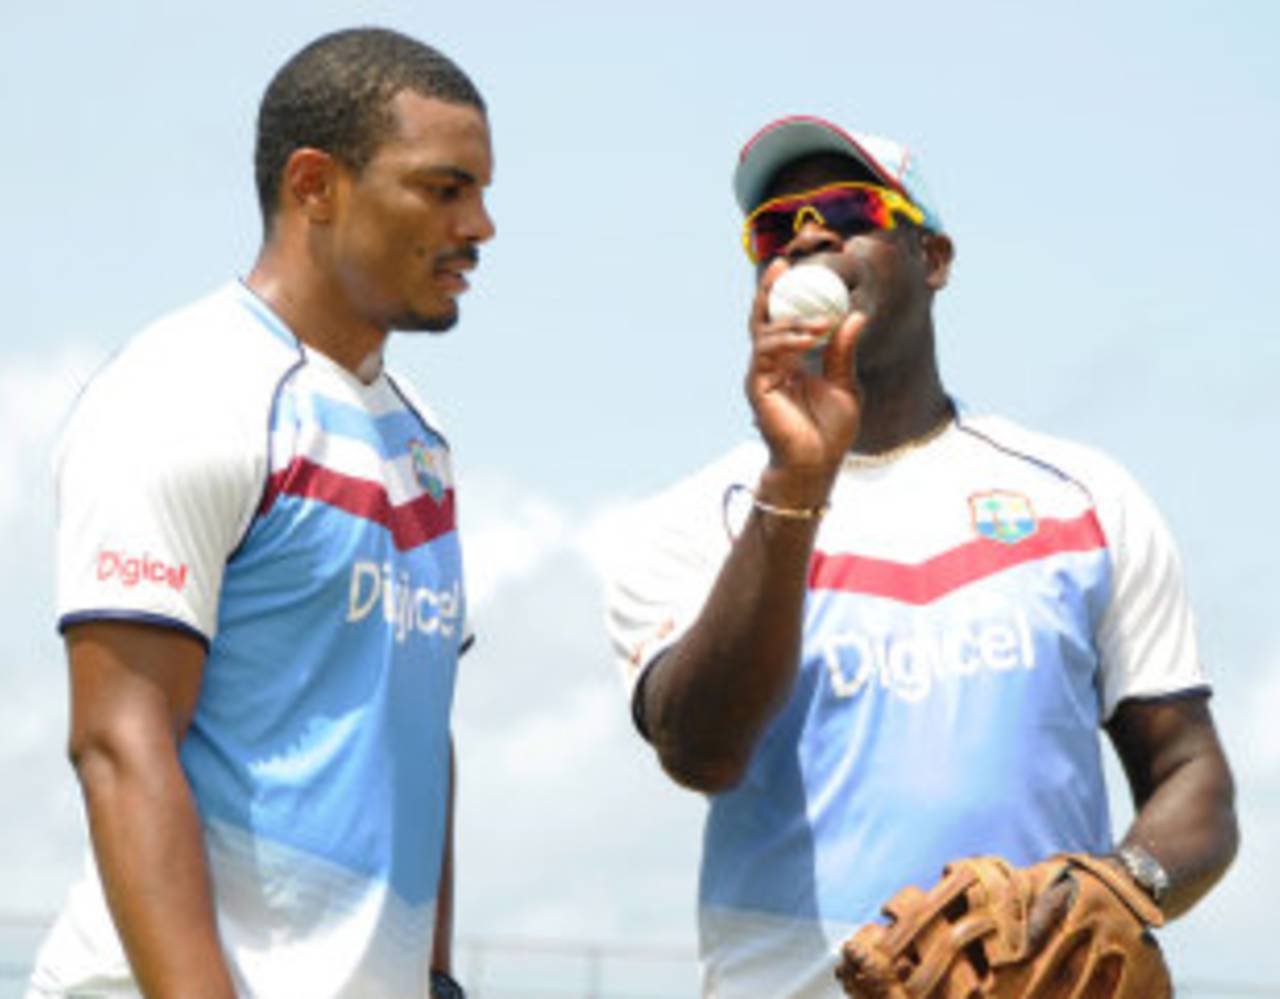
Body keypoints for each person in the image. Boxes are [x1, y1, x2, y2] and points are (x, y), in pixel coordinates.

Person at [605, 115, 1239, 998]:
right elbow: (701, 753)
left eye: (847, 207)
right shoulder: (698, 518)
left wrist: (1125, 885)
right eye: (776, 227)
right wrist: (797, 478)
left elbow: (1191, 774)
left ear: (933, 259)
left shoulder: (1084, 496)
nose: (809, 234)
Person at [28, 27, 493, 999]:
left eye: (481, 192)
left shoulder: (420, 438)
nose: (480, 226)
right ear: (315, 186)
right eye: (444, 189)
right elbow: (120, 737)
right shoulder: (185, 386)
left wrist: (437, 976)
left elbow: (415, 727)